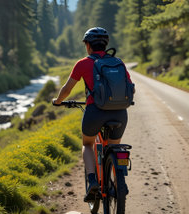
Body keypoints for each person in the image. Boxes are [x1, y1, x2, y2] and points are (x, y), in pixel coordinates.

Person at [52, 27, 134, 202]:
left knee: (88, 144)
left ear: (88, 45)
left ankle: (91, 181)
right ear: (105, 45)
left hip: (95, 113)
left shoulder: (83, 63)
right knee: (114, 147)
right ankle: (119, 182)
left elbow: (67, 90)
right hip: (120, 114)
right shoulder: (118, 62)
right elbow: (130, 86)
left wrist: (58, 101)